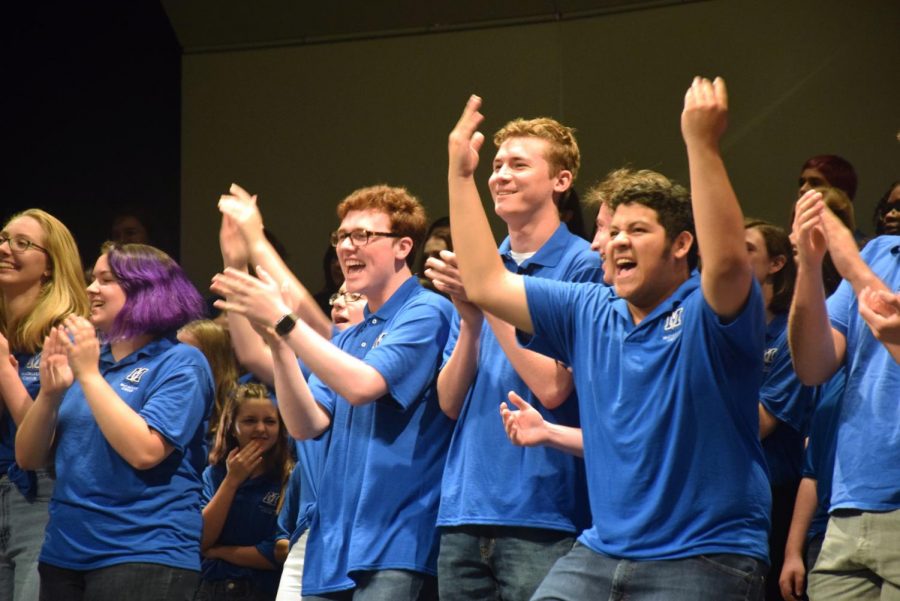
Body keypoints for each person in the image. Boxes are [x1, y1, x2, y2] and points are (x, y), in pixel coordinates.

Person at [447, 77, 769, 598]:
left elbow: (730, 262)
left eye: (637, 231)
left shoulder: (709, 313)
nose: (617, 241)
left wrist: (701, 145)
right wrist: (461, 175)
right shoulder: (589, 308)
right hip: (602, 552)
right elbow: (486, 284)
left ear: (681, 245)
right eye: (612, 231)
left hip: (705, 554)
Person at [212, 184, 454, 600]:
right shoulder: (348, 336)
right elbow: (306, 424)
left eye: (363, 235)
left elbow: (363, 386)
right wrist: (278, 344)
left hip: (396, 540)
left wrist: (285, 320)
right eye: (341, 236)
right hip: (334, 543)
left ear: (403, 247)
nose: (347, 246)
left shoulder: (426, 310)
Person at [423, 115, 601, 601]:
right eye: (496, 165)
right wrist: (474, 320)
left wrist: (490, 299)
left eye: (518, 165)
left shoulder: (585, 264)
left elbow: (554, 388)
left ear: (561, 181)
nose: (499, 175)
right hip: (464, 507)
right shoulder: (483, 267)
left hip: (544, 510)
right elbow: (449, 402)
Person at [15, 242, 214, 601]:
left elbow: (145, 451)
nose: (90, 289)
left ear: (145, 290)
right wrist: (48, 394)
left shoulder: (181, 362)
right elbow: (28, 459)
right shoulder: (87, 361)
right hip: (64, 553)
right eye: (92, 279)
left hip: (143, 553)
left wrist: (89, 375)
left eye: (106, 280)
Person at [789, 191, 900, 599]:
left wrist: (850, 265)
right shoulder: (879, 252)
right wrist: (811, 266)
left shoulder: (862, 260)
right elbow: (812, 365)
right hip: (849, 504)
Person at [0, 209, 88, 601]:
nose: (5, 249)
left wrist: (4, 370)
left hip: (41, 499)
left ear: (51, 267)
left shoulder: (68, 333)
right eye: (3, 239)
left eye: (22, 243)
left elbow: (44, 447)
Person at [744, 219, 817, 601]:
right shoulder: (721, 327)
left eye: (748, 248)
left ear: (776, 263)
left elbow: (757, 424)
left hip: (774, 492)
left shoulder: (791, 334)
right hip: (724, 491)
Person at [197, 382, 294, 601]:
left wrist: (220, 552)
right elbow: (201, 540)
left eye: (269, 421)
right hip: (211, 587)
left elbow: (276, 553)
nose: (261, 429)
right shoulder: (213, 475)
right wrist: (232, 480)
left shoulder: (288, 478)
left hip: (264, 590)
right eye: (250, 421)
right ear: (232, 426)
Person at [177, 319, 240, 445]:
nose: (177, 359)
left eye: (188, 353)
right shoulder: (171, 391)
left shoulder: (238, 402)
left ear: (214, 358)